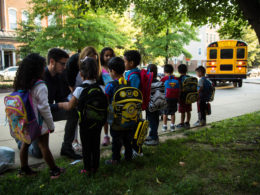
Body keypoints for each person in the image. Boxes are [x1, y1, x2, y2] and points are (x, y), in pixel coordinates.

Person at [14, 53, 64, 179]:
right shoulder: (40, 85)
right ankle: (54, 170)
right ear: (37, 69)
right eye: (42, 66)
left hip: (24, 120)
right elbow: (44, 108)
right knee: (44, 146)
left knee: (25, 144)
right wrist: (51, 125)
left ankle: (23, 169)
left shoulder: (22, 82)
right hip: (38, 122)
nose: (44, 69)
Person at [59, 57, 106, 175]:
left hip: (85, 123)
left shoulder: (79, 89)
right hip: (98, 122)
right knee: (95, 145)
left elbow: (70, 106)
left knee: (86, 146)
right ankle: (95, 167)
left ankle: (86, 168)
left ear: (80, 74)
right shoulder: (101, 88)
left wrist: (59, 105)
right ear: (97, 73)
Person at [45, 48, 81, 159]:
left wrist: (71, 103)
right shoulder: (40, 78)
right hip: (37, 116)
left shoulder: (59, 76)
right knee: (37, 152)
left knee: (73, 112)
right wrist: (61, 105)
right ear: (52, 62)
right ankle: (21, 141)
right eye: (62, 64)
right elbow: (38, 107)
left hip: (49, 111)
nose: (65, 67)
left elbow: (61, 98)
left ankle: (67, 147)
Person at [104, 57, 133, 164]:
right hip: (129, 117)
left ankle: (115, 159)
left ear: (113, 71)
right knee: (127, 139)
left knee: (116, 139)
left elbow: (106, 100)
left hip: (116, 119)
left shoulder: (111, 85)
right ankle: (128, 156)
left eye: (109, 71)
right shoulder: (128, 83)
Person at [123, 50, 143, 156]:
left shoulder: (134, 75)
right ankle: (132, 149)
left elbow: (133, 92)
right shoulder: (130, 73)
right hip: (133, 107)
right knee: (132, 128)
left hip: (134, 107)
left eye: (124, 61)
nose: (123, 64)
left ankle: (136, 150)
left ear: (131, 63)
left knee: (135, 129)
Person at [100, 47, 115, 146]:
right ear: (102, 56)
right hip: (104, 95)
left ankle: (116, 135)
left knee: (114, 115)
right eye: (106, 55)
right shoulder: (100, 68)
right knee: (105, 117)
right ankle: (106, 136)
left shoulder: (115, 67)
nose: (109, 57)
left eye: (110, 55)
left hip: (114, 95)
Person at [144, 64, 161, 146]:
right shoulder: (158, 81)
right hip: (157, 105)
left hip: (150, 105)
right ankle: (152, 135)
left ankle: (154, 138)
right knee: (155, 120)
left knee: (152, 122)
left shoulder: (148, 82)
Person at [161, 64, 179, 132]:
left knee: (165, 113)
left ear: (164, 71)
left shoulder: (164, 79)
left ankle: (165, 126)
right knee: (173, 113)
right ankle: (172, 126)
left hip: (166, 98)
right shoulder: (176, 79)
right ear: (172, 71)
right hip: (174, 98)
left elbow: (160, 86)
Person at [176, 64, 192, 129]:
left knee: (182, 111)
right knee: (188, 110)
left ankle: (182, 123)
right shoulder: (190, 77)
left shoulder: (179, 79)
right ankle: (187, 122)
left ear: (179, 71)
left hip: (182, 98)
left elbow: (179, 89)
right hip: (189, 97)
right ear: (186, 70)